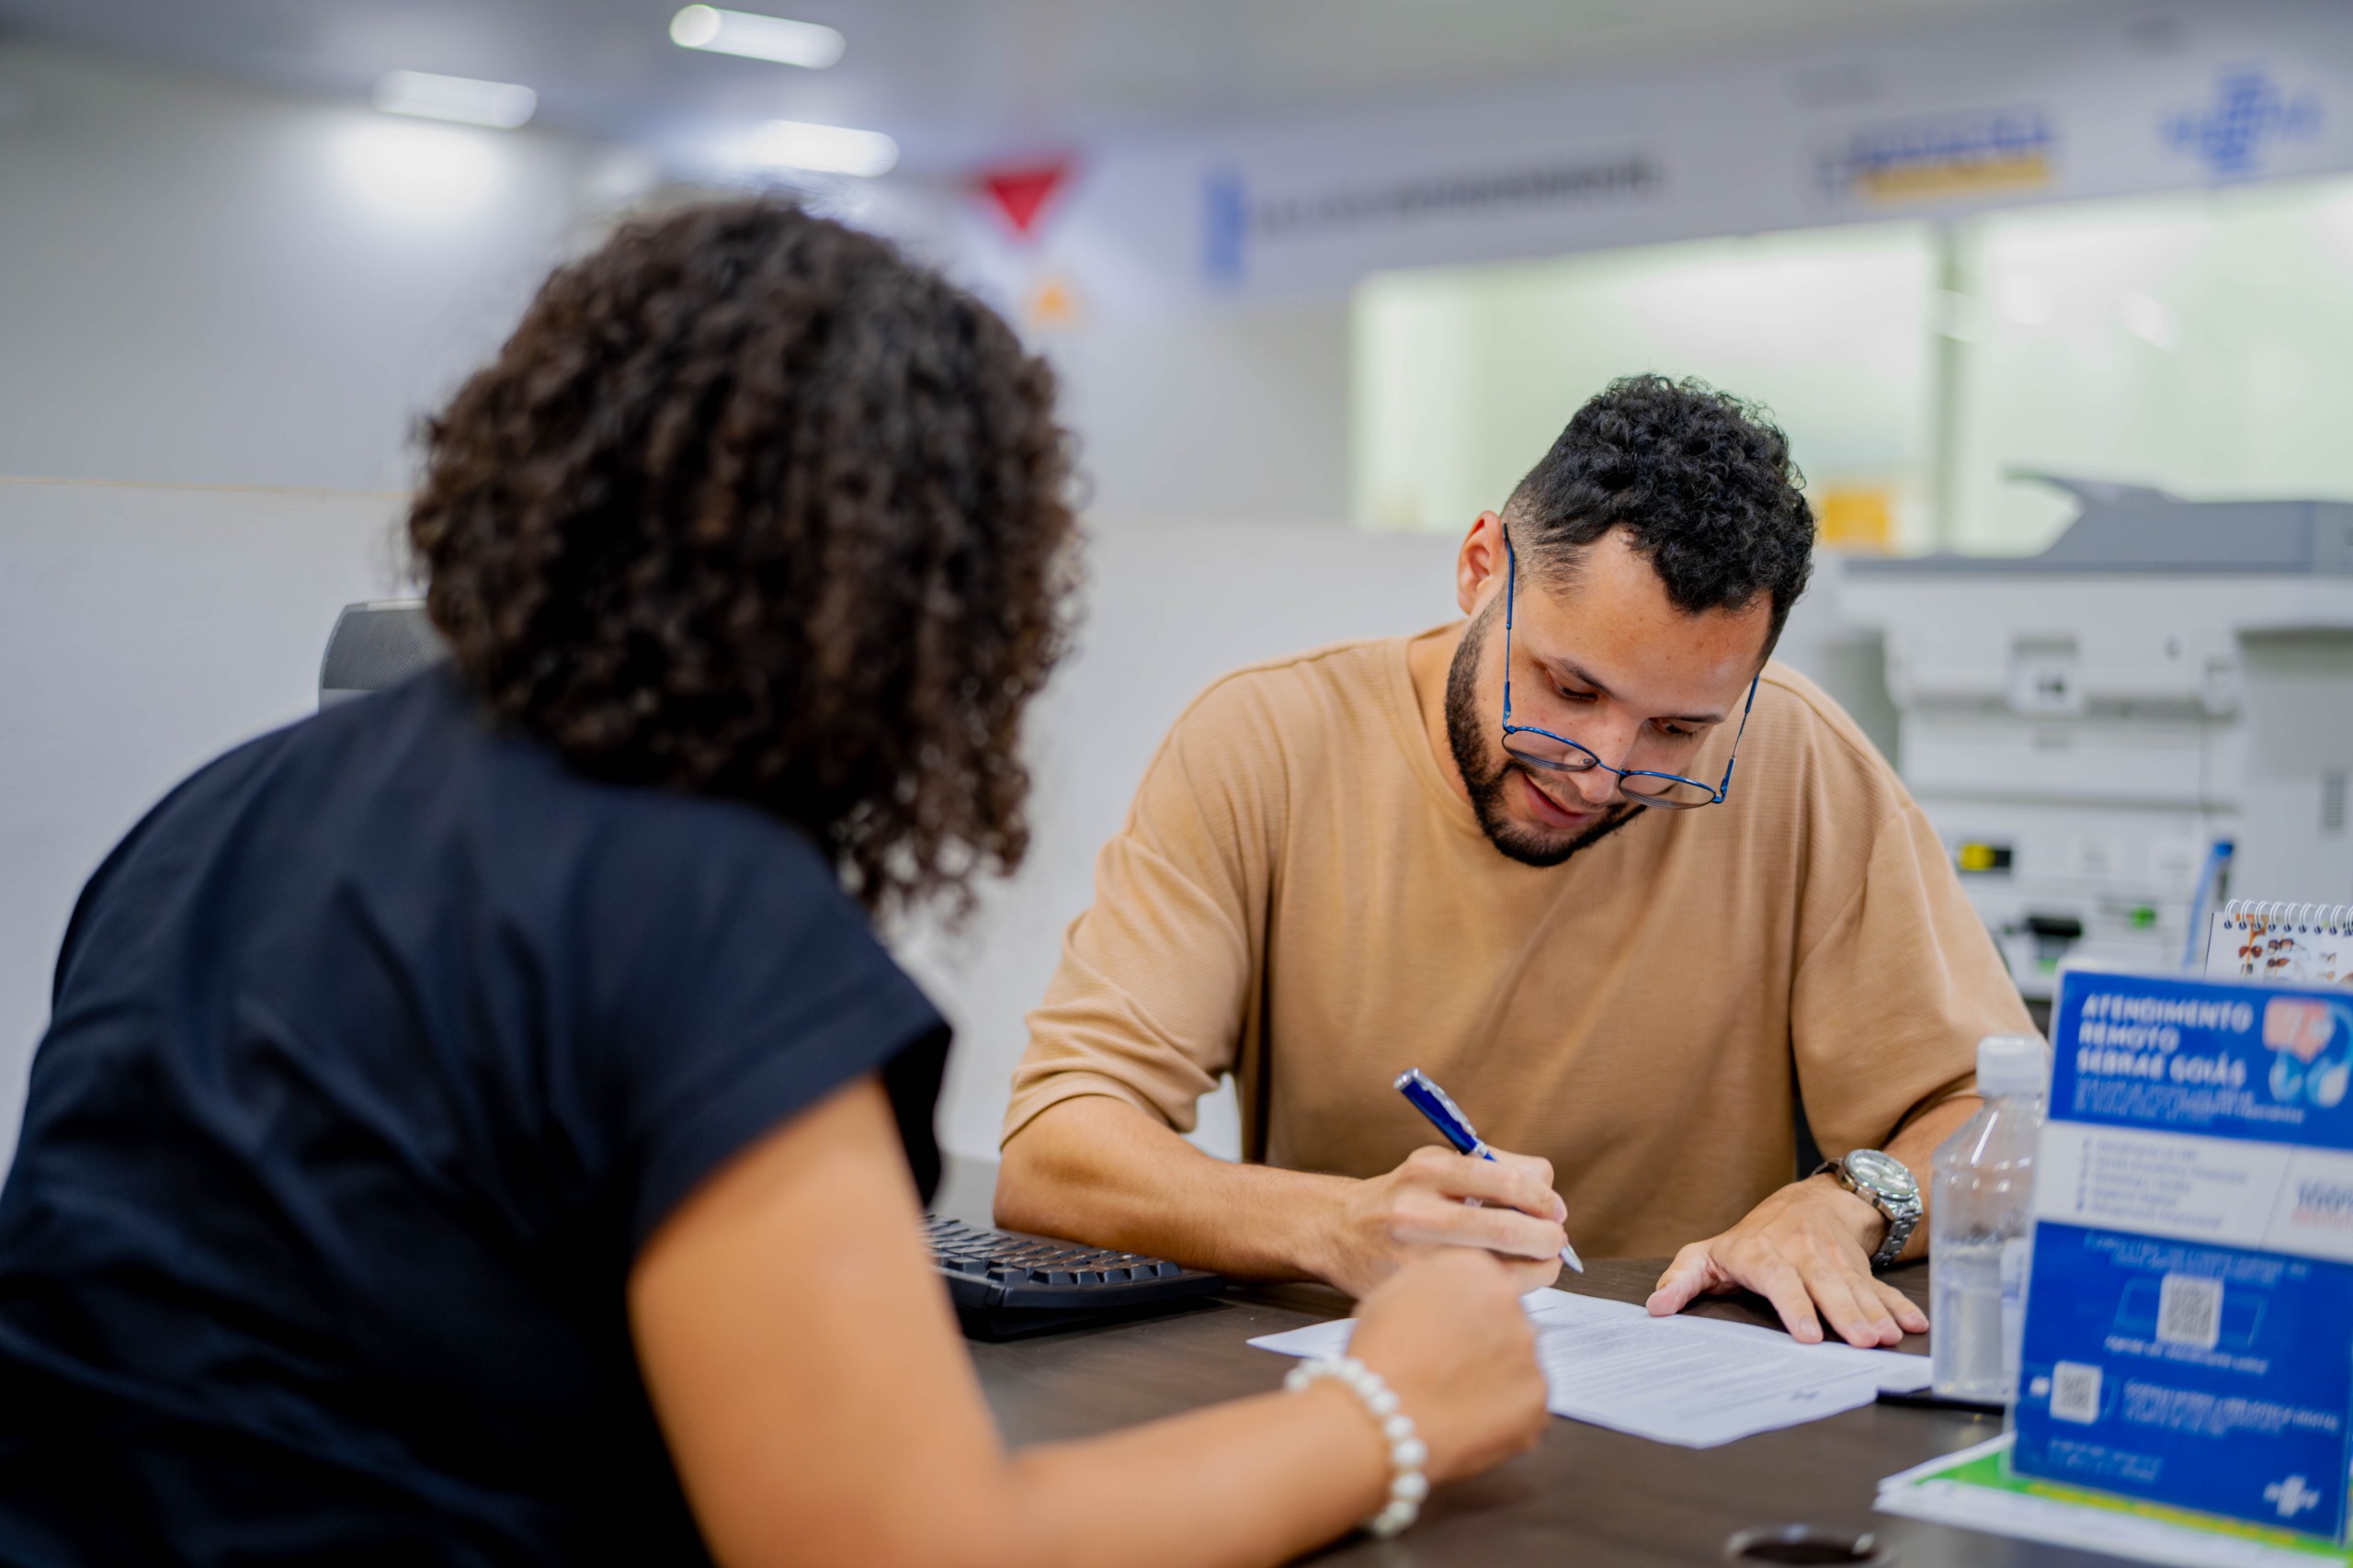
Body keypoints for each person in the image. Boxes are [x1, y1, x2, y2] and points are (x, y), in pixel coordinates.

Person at [0, 201, 1547, 1566]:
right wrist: (1388, 1411)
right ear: (933, 599)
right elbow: (905, 1546)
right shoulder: (697, 904)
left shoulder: (207, 816)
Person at [996, 375, 2038, 1350]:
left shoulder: (1800, 762)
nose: (1601, 772)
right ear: (1479, 566)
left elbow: (2002, 1118)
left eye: (1677, 729)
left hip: (1692, 1394)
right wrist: (1333, 1222)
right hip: (1365, 1376)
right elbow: (1056, 1151)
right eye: (1568, 691)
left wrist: (1849, 1200)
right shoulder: (1265, 742)